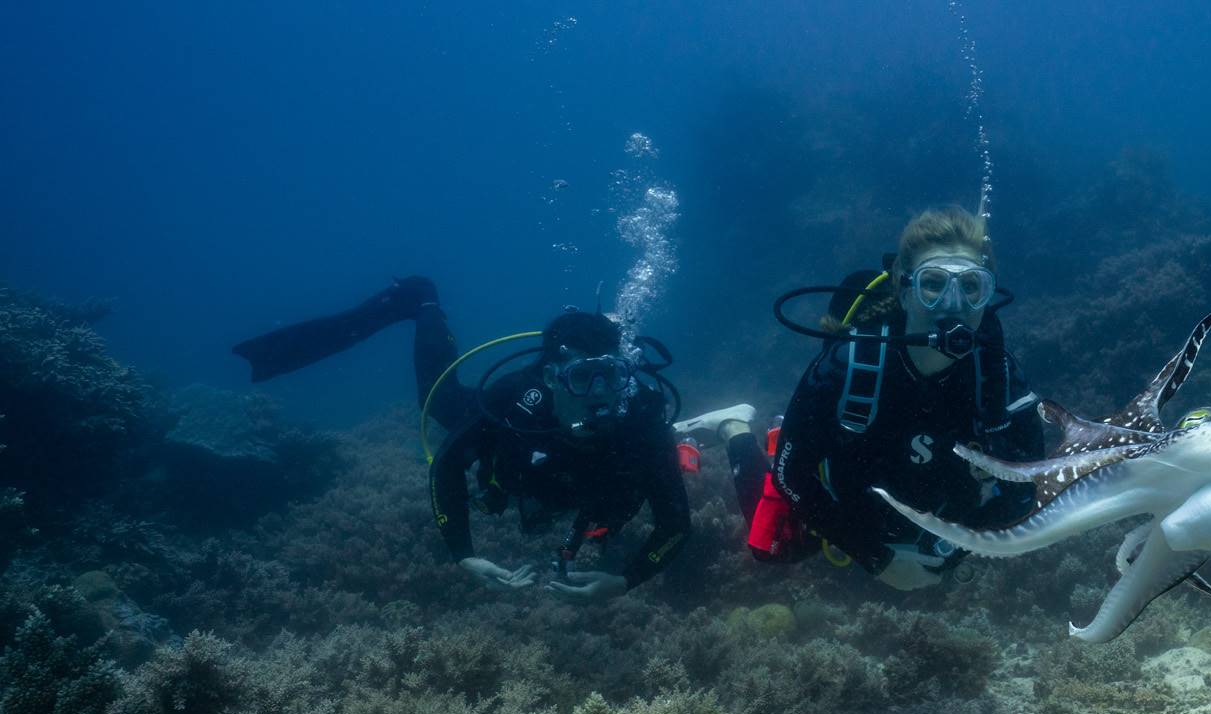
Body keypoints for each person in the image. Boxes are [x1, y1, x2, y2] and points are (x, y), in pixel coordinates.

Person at [232, 277, 691, 600]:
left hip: (564, 482)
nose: (600, 395)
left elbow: (675, 523)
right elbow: (448, 464)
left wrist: (625, 581)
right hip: (513, 431)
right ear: (551, 377)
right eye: (583, 378)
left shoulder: (641, 417)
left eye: (610, 376)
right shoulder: (514, 401)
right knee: (439, 404)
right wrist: (463, 556)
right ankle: (421, 300)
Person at [678, 207, 1043, 590]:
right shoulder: (850, 365)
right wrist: (877, 558)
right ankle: (735, 427)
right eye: (933, 284)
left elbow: (1028, 488)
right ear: (904, 289)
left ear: (987, 294)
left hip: (940, 518)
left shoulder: (998, 378)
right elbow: (792, 474)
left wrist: (955, 550)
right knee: (773, 548)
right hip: (848, 505)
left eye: (971, 286)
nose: (954, 304)